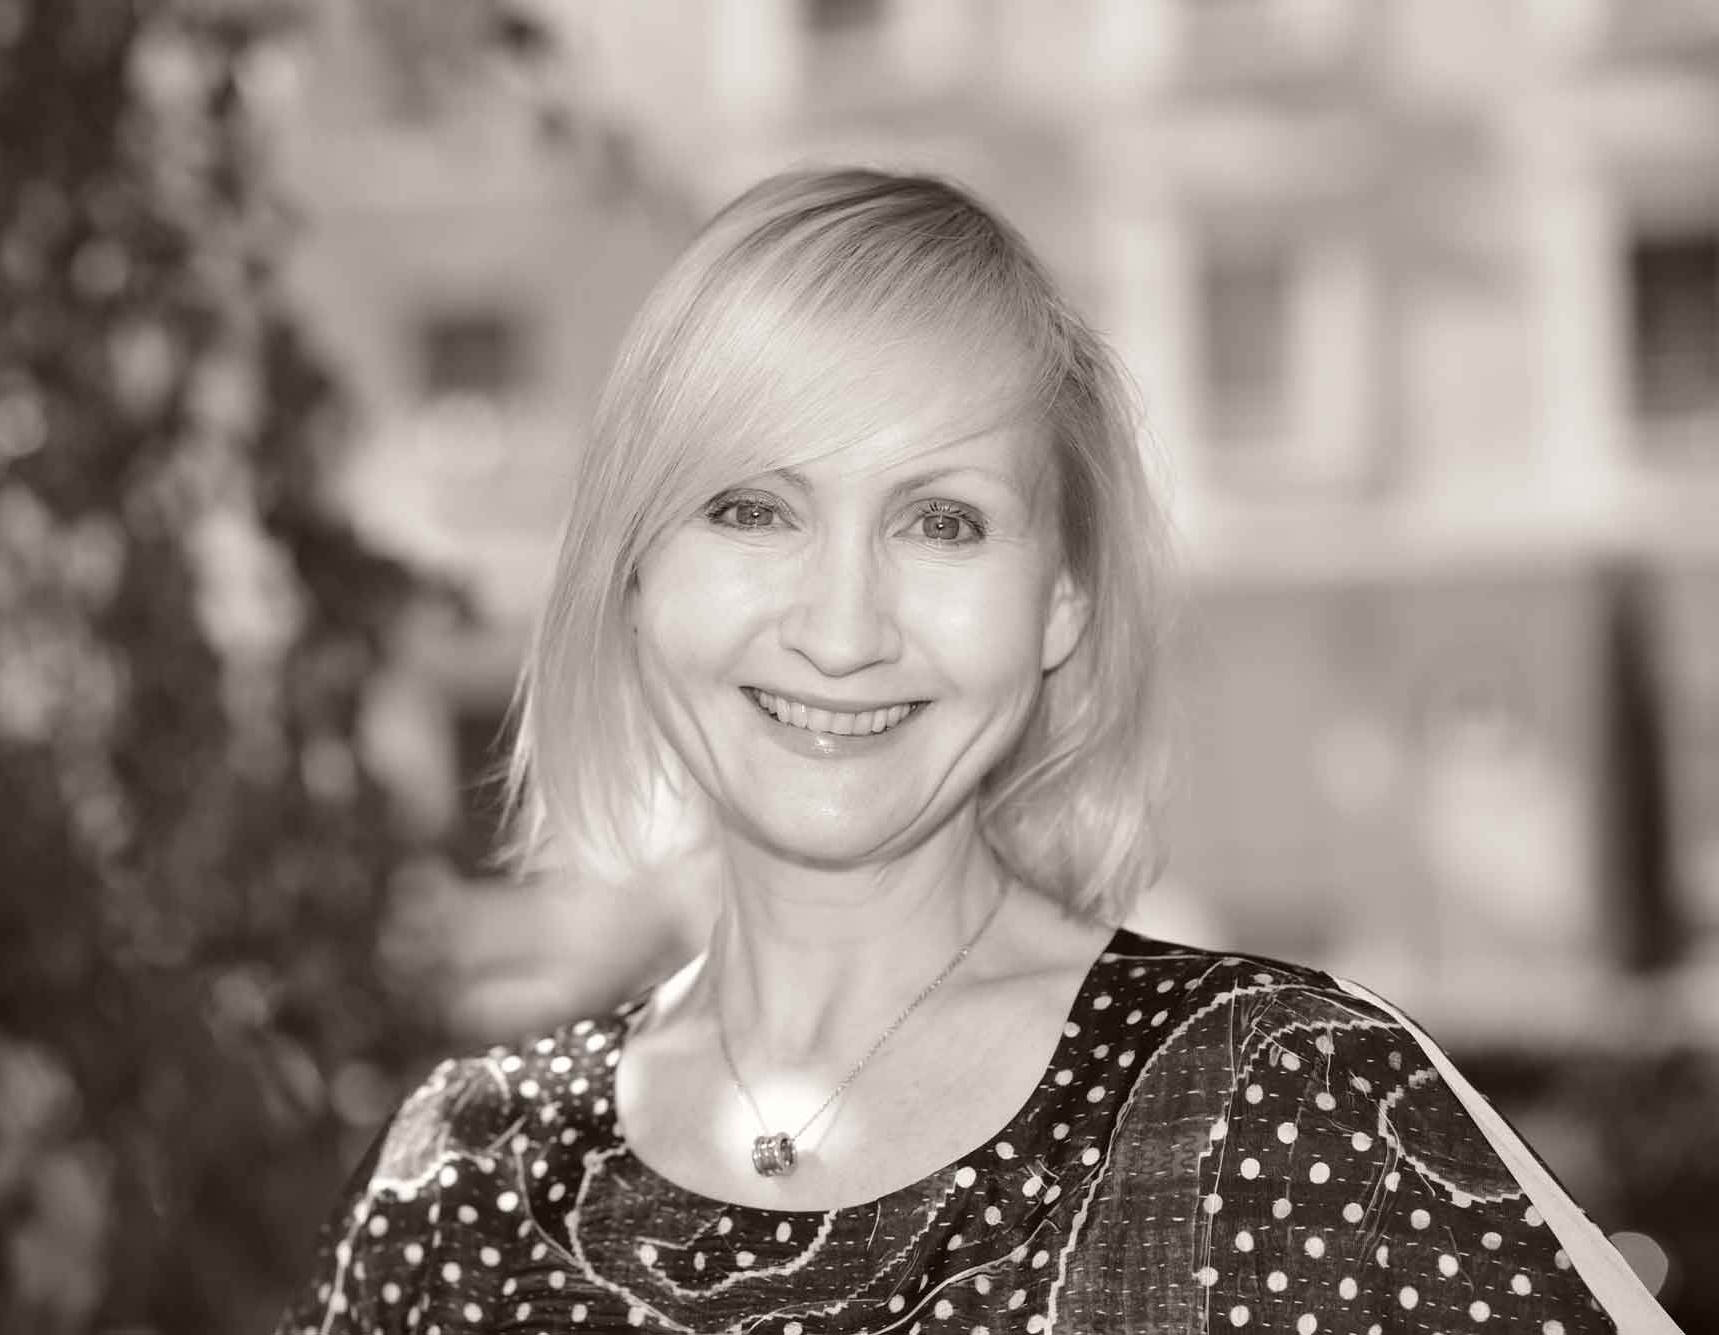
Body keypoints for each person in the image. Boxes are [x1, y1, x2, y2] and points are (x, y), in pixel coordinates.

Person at [273, 169, 1677, 1335]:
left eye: (942, 522)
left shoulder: (1285, 1114)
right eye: (753, 509)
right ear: (635, 576)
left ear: (1060, 601)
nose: (840, 630)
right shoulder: (461, 1186)